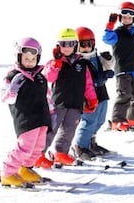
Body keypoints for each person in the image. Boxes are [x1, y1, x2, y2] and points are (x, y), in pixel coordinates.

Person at [34, 28, 98, 168]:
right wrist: (56, 64)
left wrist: (92, 98)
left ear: (75, 45)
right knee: (52, 129)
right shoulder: (54, 63)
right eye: (64, 44)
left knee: (69, 130)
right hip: (58, 103)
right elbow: (48, 77)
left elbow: (88, 83)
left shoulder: (82, 63)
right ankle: (39, 154)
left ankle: (61, 153)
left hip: (75, 103)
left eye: (70, 44)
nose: (67, 47)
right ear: (58, 46)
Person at [0, 37, 52, 187]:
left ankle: (25, 169)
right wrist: (12, 90)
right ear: (18, 57)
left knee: (38, 147)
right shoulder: (13, 76)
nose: (29, 62)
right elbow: (5, 98)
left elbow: (47, 94)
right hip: (26, 119)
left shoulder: (40, 76)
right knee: (25, 148)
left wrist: (52, 109)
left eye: (33, 58)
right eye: (26, 58)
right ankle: (7, 173)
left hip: (41, 118)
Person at [103, 1, 134, 131]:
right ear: (120, 17)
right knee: (124, 94)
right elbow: (107, 38)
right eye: (124, 16)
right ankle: (117, 120)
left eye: (130, 16)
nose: (127, 19)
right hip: (122, 69)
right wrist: (110, 25)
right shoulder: (117, 33)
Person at [71, 26, 115, 160]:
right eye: (82, 44)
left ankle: (91, 142)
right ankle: (80, 146)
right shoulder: (77, 61)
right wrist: (98, 80)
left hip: (101, 94)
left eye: (89, 44)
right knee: (89, 121)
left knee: (100, 120)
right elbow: (80, 80)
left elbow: (108, 66)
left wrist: (109, 60)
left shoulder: (96, 56)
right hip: (88, 96)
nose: (86, 47)